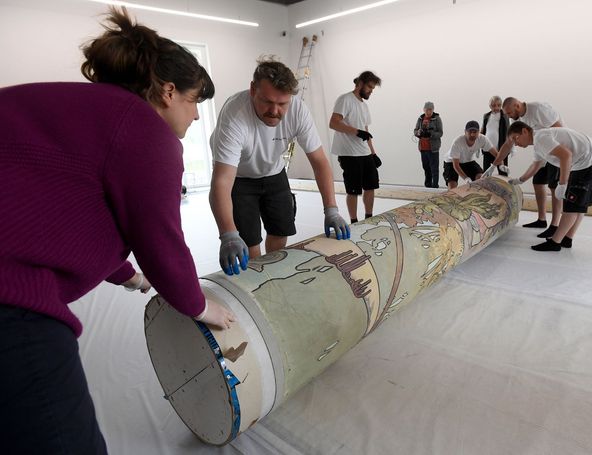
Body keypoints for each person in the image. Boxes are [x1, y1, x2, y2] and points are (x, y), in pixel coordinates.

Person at [0, 8, 235, 454]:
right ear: (168, 92)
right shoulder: (145, 130)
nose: (193, 118)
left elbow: (58, 206)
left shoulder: (74, 107)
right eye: (193, 102)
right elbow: (159, 237)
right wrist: (198, 305)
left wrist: (125, 273)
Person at [209, 58, 349, 276]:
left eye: (282, 104)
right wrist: (228, 234)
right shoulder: (235, 114)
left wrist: (331, 210)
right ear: (252, 89)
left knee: (280, 230)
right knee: (250, 241)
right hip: (240, 178)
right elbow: (222, 180)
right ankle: (257, 282)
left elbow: (320, 162)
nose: (275, 111)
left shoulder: (298, 111)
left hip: (274, 172)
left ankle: (272, 276)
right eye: (267, 101)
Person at [506, 121, 592, 251]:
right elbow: (536, 165)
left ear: (525, 131)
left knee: (572, 204)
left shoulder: (541, 138)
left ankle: (555, 242)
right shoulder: (538, 144)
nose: (516, 143)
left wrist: (562, 184)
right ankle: (567, 239)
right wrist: (520, 180)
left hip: (588, 160)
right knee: (579, 204)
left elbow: (566, 155)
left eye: (516, 138)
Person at [494, 97, 564, 238]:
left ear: (517, 106)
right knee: (538, 183)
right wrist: (495, 163)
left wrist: (551, 149)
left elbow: (559, 130)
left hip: (555, 150)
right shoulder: (518, 119)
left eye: (509, 113)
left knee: (554, 187)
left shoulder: (539, 109)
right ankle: (542, 219)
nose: (508, 117)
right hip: (541, 150)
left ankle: (555, 224)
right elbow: (508, 143)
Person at [329, 70, 382, 223]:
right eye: (369, 87)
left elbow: (366, 131)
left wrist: (373, 153)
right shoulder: (345, 99)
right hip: (349, 154)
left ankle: (369, 218)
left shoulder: (364, 106)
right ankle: (354, 222)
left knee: (371, 186)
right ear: (360, 84)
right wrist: (356, 132)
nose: (371, 91)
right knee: (353, 190)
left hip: (365, 153)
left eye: (373, 89)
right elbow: (333, 123)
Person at [445, 120, 499, 188]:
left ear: (479, 132)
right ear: (465, 132)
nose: (472, 134)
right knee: (452, 187)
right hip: (451, 162)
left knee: (480, 178)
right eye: (470, 132)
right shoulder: (457, 142)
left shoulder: (482, 139)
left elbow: (497, 155)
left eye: (475, 132)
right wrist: (466, 178)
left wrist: (497, 166)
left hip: (468, 161)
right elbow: (456, 165)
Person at [413, 101, 443, 188]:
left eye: (430, 109)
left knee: (434, 169)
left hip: (433, 148)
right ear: (424, 109)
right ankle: (428, 187)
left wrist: (431, 134)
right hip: (423, 148)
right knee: (426, 168)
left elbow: (440, 133)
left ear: (433, 110)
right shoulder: (420, 119)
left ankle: (435, 187)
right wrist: (418, 132)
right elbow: (415, 130)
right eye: (426, 109)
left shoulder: (437, 118)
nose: (428, 112)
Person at [481, 95, 510, 176]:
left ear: (501, 105)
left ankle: (504, 188)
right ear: (490, 106)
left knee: (503, 172)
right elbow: (483, 129)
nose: (496, 107)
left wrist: (512, 146)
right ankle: (485, 188)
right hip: (487, 148)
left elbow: (509, 130)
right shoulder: (486, 116)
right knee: (486, 172)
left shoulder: (505, 116)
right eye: (493, 105)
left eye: (498, 105)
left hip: (501, 149)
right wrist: (478, 142)